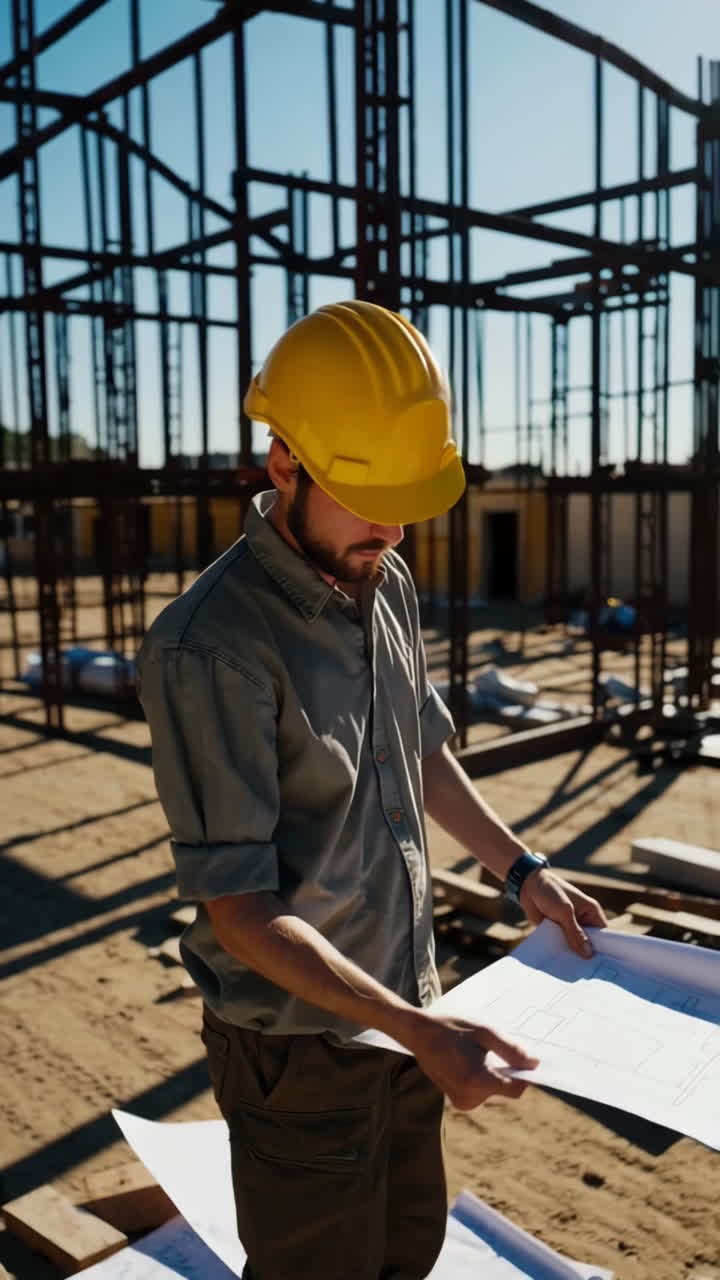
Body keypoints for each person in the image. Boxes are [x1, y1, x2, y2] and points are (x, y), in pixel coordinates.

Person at [136, 300, 607, 1280]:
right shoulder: (211, 645)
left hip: (401, 1016)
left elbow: (418, 751)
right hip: (301, 1054)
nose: (394, 525)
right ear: (283, 464)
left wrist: (522, 868)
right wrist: (423, 1029)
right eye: (372, 496)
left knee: (406, 1252)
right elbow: (241, 911)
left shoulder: (378, 576)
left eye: (407, 496)